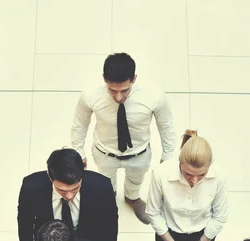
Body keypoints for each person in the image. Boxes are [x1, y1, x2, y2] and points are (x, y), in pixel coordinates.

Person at [71, 52, 176, 224]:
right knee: (106, 182)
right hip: (104, 153)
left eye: (124, 90)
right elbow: (80, 124)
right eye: (113, 90)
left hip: (139, 154)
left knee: (136, 180)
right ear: (104, 79)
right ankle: (108, 199)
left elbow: (166, 127)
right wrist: (78, 152)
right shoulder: (90, 96)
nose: (118, 97)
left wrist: (168, 158)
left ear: (134, 78)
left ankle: (132, 198)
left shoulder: (154, 97)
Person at [146, 130, 228, 241]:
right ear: (180, 163)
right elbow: (153, 212)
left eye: (202, 175)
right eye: (188, 174)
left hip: (203, 235)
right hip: (169, 234)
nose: (195, 180)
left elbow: (220, 216)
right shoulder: (161, 174)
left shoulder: (219, 176)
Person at [17, 148, 118, 241]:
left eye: (75, 189)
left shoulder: (102, 186)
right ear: (49, 176)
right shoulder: (31, 187)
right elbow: (25, 224)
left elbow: (110, 226)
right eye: (61, 190)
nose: (69, 196)